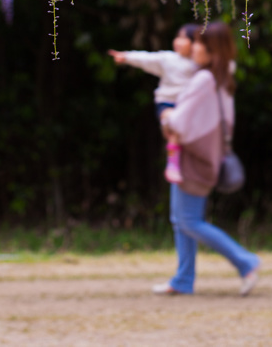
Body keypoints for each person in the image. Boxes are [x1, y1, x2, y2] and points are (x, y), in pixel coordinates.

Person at [155, 21, 260, 297]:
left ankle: (245, 262)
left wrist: (166, 117)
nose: (194, 48)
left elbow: (179, 119)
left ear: (212, 50)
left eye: (200, 43)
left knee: (189, 220)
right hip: (209, 155)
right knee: (181, 219)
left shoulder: (204, 79)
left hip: (194, 158)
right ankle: (183, 279)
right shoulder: (223, 78)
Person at [108, 24, 199, 183]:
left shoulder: (198, 64)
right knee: (176, 125)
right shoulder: (168, 59)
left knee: (185, 132)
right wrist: (127, 57)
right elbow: (147, 58)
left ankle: (187, 164)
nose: (178, 41)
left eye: (184, 38)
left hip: (188, 109)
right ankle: (173, 165)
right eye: (177, 36)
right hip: (168, 105)